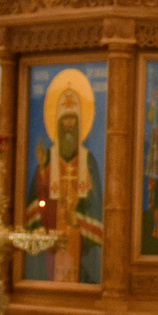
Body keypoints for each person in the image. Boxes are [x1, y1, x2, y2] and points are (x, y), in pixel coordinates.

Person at [30, 71, 104, 280]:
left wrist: (79, 217)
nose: (69, 125)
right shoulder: (48, 159)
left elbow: (97, 206)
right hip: (54, 231)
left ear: (80, 122)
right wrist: (43, 170)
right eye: (65, 120)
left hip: (79, 236)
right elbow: (38, 201)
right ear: (58, 122)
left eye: (73, 119)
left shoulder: (88, 160)